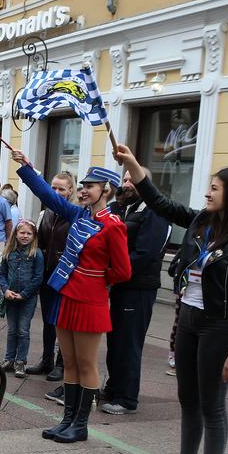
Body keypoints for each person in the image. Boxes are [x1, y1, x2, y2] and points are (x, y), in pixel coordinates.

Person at [114, 143, 228, 454]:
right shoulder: (202, 222)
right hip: (190, 319)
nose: (207, 192)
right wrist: (134, 166)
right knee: (188, 398)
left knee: (212, 405)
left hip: (221, 326)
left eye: (215, 187)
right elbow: (163, 205)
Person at [11, 152, 131, 444]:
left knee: (86, 363)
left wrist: (93, 279)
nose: (84, 190)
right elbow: (49, 197)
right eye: (84, 185)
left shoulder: (113, 225)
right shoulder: (78, 215)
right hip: (67, 295)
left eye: (92, 186)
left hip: (90, 300)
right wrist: (26, 168)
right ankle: (66, 419)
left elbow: (123, 271)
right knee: (70, 363)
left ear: (107, 190)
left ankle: (80, 424)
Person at [100, 172, 170, 415]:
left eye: (133, 180)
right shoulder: (122, 207)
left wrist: (114, 272)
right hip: (121, 285)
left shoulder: (154, 210)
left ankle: (127, 397)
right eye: (125, 179)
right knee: (115, 340)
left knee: (129, 342)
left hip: (139, 286)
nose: (127, 184)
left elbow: (147, 252)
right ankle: (113, 388)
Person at [28, 171, 77, 383]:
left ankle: (61, 363)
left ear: (71, 191)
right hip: (47, 273)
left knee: (62, 321)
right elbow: (40, 241)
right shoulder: (46, 212)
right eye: (53, 188)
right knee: (48, 320)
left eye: (61, 189)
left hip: (65, 275)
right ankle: (46, 359)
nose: (56, 192)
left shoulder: (75, 213)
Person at [0, 220, 43, 375]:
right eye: (22, 232)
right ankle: (9, 358)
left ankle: (20, 361)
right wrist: (5, 290)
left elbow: (38, 278)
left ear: (34, 236)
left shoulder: (36, 254)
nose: (25, 236)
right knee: (12, 329)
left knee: (23, 329)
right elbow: (2, 274)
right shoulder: (8, 252)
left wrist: (24, 294)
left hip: (27, 298)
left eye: (29, 233)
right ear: (16, 234)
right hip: (10, 296)